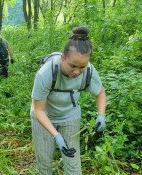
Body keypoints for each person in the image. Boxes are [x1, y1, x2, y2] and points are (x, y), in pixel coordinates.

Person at [30, 26, 107, 175]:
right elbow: (38, 109)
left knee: (73, 165)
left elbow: (100, 93)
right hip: (44, 117)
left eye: (82, 67)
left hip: (70, 117)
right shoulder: (46, 73)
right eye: (73, 66)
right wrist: (56, 136)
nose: (77, 72)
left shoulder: (89, 71)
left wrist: (101, 115)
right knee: (44, 162)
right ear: (63, 58)